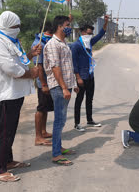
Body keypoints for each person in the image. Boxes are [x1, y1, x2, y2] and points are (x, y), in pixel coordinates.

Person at [0, 11, 41, 182]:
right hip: (2, 94)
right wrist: (31, 73)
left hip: (14, 92)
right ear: (7, 26)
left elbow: (18, 60)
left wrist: (30, 54)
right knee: (4, 132)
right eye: (16, 27)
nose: (18, 29)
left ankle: (7, 161)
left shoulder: (9, 40)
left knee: (10, 129)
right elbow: (10, 68)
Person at [43, 15, 79, 165]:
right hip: (59, 87)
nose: (69, 27)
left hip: (66, 85)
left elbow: (67, 65)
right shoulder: (52, 44)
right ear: (59, 26)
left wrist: (73, 83)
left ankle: (59, 147)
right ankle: (56, 154)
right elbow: (56, 68)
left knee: (62, 120)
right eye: (67, 24)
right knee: (59, 120)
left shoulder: (64, 43)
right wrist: (64, 88)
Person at [71, 15, 109, 132]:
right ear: (82, 32)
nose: (90, 36)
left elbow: (101, 34)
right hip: (81, 77)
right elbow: (74, 63)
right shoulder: (76, 45)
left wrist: (106, 22)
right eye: (88, 33)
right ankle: (77, 123)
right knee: (79, 99)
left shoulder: (90, 43)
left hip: (90, 75)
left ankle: (89, 120)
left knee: (89, 99)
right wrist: (78, 78)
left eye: (91, 33)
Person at [33, 22, 54, 146]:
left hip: (48, 81)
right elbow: (39, 67)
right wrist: (44, 84)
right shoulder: (39, 44)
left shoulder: (46, 42)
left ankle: (43, 131)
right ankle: (38, 137)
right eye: (50, 33)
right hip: (43, 82)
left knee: (45, 108)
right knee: (41, 108)